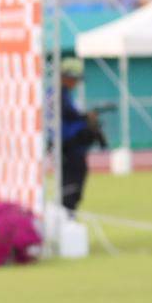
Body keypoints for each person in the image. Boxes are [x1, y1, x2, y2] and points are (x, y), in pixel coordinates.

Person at [58, 57, 106, 214]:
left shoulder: (64, 94)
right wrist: (86, 118)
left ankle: (69, 211)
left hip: (73, 147)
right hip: (69, 147)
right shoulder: (59, 94)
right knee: (72, 181)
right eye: (75, 79)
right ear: (67, 77)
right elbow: (69, 115)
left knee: (75, 179)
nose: (77, 83)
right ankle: (67, 212)